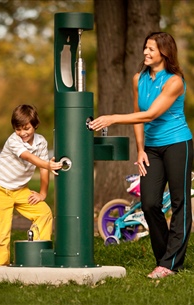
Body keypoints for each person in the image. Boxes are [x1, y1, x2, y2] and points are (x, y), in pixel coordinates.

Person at [89, 32, 193, 279]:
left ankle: (168, 264)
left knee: (180, 203)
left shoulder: (174, 81)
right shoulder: (139, 79)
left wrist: (113, 118)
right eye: (145, 48)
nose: (146, 52)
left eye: (151, 49)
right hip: (152, 149)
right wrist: (140, 149)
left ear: (164, 53)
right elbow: (138, 114)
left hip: (178, 144)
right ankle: (166, 259)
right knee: (149, 203)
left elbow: (150, 115)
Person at [0, 104, 62, 266]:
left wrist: (42, 193)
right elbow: (28, 157)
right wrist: (47, 164)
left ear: (35, 125)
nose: (22, 133)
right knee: (0, 231)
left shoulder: (41, 142)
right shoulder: (13, 140)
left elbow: (42, 170)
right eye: (18, 129)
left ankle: (36, 255)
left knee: (44, 213)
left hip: (19, 190)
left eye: (26, 128)